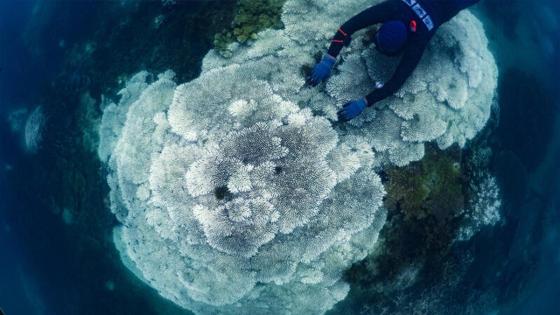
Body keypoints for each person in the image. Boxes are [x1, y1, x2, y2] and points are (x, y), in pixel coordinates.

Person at [309, 0, 481, 122]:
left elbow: (398, 82)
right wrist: (328, 60)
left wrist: (364, 102)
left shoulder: (418, 39)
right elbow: (346, 28)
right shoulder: (393, 7)